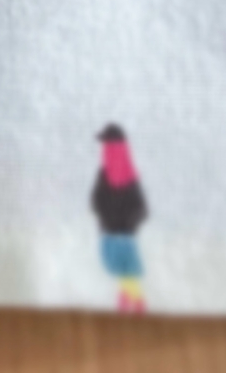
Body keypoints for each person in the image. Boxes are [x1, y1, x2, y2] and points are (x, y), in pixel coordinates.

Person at [91, 124, 147, 313]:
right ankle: (129, 304)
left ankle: (135, 305)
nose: (105, 149)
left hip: (117, 234)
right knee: (125, 273)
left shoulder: (114, 175)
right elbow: (141, 209)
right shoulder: (116, 174)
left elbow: (140, 209)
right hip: (119, 234)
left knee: (126, 273)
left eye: (107, 144)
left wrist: (116, 221)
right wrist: (124, 223)